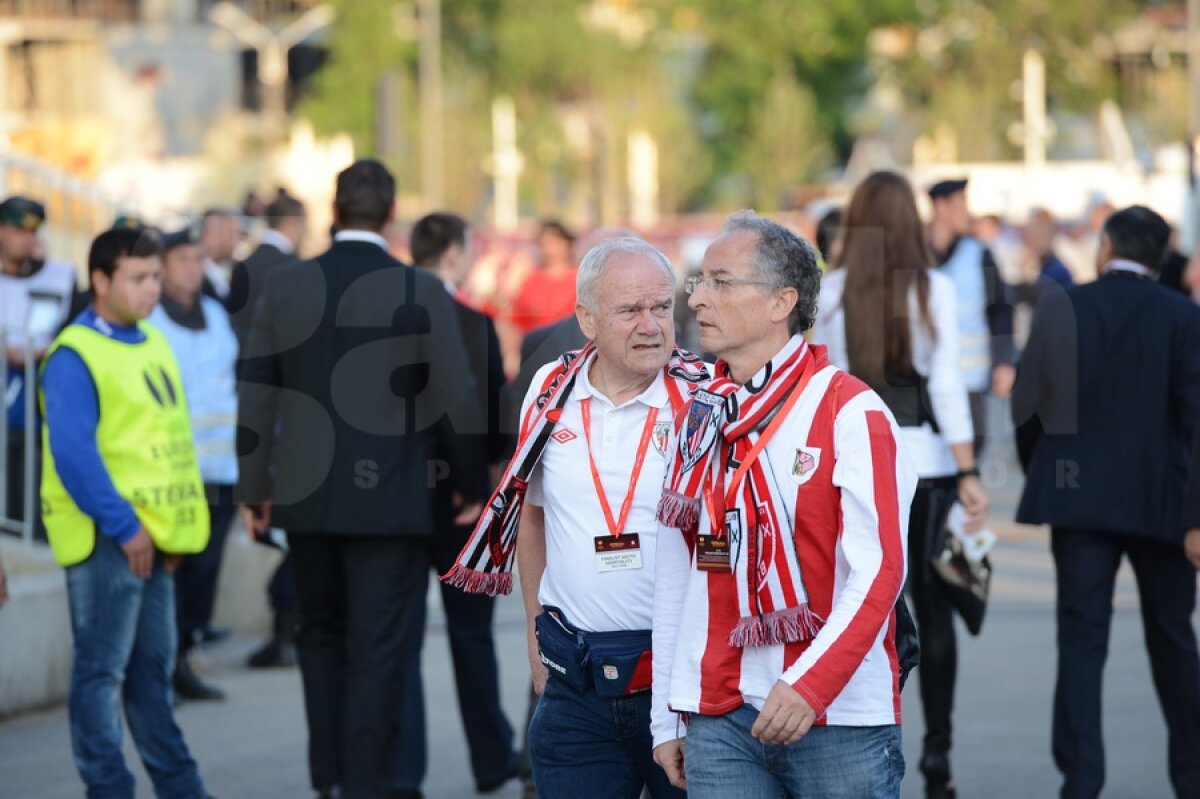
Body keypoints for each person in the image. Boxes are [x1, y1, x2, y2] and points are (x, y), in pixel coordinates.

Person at [237, 159, 488, 799]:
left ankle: (331, 777)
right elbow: (456, 398)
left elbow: (257, 393)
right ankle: (367, 783)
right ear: (392, 213)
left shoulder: (286, 285)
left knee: (319, 639)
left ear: (334, 210)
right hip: (392, 505)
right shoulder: (420, 289)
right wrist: (469, 484)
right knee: (380, 649)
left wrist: (254, 489)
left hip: (306, 501)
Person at [652, 211, 916, 798]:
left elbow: (880, 572)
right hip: (719, 714)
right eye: (699, 281)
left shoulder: (852, 411)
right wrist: (666, 716)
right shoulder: (701, 415)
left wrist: (811, 684)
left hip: (837, 718)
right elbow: (676, 574)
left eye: (721, 282)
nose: (696, 299)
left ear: (781, 302)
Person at [445, 236, 707, 798]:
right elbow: (532, 514)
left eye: (661, 307)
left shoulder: (707, 398)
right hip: (575, 687)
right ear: (587, 319)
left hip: (682, 686)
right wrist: (535, 634)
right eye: (630, 310)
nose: (651, 325)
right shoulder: (549, 390)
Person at [1012, 205, 1200, 799]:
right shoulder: (1184, 316)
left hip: (1079, 500)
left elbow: (1027, 405)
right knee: (1173, 639)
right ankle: (1192, 776)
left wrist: (1045, 473)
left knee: (1081, 642)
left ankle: (1081, 781)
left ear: (1106, 247)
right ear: (1161, 257)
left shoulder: (1063, 306)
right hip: (1165, 502)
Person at [811, 172, 987, 799]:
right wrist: (968, 472)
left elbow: (824, 386)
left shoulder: (832, 292)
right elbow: (946, 386)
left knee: (858, 606)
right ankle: (938, 752)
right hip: (926, 463)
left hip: (855, 464)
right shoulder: (932, 289)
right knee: (933, 614)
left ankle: (859, 742)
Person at [40, 225, 212, 798]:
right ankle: (110, 789)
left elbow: (166, 447)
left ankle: (183, 789)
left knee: (151, 678)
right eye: (138, 278)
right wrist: (124, 526)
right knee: (101, 674)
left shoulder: (153, 341)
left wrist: (172, 536)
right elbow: (74, 454)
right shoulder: (74, 354)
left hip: (154, 541)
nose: (152, 289)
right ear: (100, 280)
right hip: (108, 541)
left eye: (156, 277)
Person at [391, 212, 518, 797]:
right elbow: (487, 413)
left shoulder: (385, 318)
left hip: (395, 498)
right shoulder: (470, 321)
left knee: (400, 640)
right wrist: (477, 485)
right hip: (460, 502)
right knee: (472, 634)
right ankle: (491, 758)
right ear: (451, 253)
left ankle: (402, 772)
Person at [148, 228, 240, 702]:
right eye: (182, 258)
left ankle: (184, 654)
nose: (192, 267)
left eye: (198, 258)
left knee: (206, 568)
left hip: (222, 465)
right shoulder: (152, 320)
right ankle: (161, 666)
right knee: (172, 571)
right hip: (174, 467)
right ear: (162, 266)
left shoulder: (217, 315)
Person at [227, 189, 308, 669]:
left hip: (246, 396)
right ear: (294, 223)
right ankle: (287, 625)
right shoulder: (296, 273)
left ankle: (285, 625)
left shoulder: (244, 267)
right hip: (288, 409)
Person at [1, 195, 75, 526]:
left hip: (37, 397)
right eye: (19, 230)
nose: (28, 239)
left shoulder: (58, 276)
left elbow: (72, 330)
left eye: (33, 231)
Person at [927, 179, 1016, 452]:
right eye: (960, 205)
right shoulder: (913, 254)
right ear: (940, 207)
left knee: (972, 451)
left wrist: (1004, 361)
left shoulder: (980, 254)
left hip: (971, 383)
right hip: (926, 381)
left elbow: (1000, 309)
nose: (968, 213)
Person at [507, 220, 578, 334]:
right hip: (539, 343)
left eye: (556, 242)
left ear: (567, 244)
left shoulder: (581, 279)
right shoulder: (530, 282)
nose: (551, 248)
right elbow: (518, 323)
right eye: (546, 242)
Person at [198, 208, 238, 302]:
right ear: (210, 235)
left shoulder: (230, 270)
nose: (236, 241)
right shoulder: (194, 276)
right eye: (230, 234)